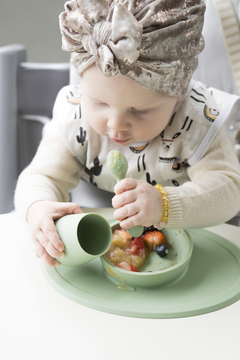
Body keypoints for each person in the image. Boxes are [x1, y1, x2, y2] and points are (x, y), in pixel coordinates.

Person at [14, 0, 240, 268]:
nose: (116, 124)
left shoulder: (195, 118)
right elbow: (41, 176)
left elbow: (229, 190)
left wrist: (163, 204)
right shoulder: (76, 119)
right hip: (97, 248)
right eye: (99, 102)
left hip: (195, 249)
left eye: (139, 110)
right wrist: (38, 207)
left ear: (178, 95)